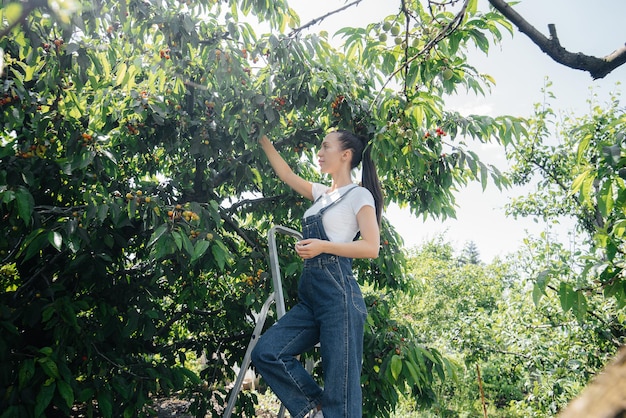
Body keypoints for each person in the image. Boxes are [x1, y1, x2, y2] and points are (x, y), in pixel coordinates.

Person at [251, 129, 384, 418]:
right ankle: (316, 407)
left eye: (326, 147)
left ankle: (331, 411)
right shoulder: (323, 194)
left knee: (342, 394)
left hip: (338, 295)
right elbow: (286, 174)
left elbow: (371, 246)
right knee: (267, 353)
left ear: (346, 155)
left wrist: (323, 245)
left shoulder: (359, 195)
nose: (319, 153)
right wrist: (262, 136)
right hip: (311, 296)